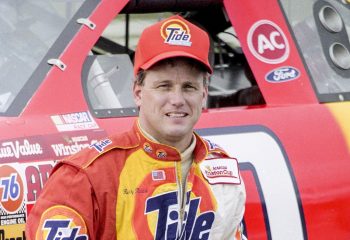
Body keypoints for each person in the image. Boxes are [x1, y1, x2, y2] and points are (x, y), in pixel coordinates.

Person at [26, 15, 246, 240]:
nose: (177, 99)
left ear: (204, 94)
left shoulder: (222, 169)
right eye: (164, 86)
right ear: (138, 92)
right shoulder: (84, 177)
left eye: (189, 87)